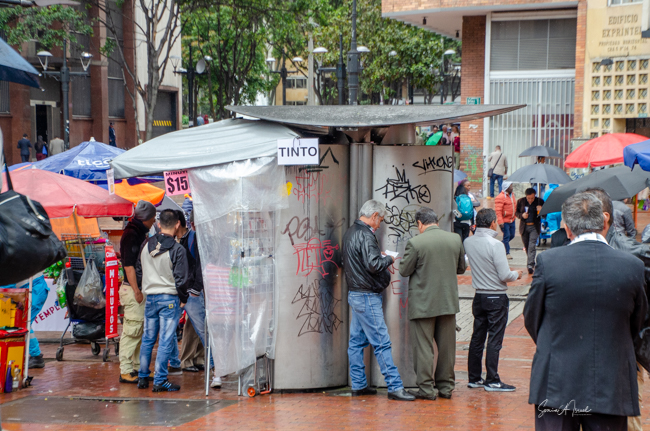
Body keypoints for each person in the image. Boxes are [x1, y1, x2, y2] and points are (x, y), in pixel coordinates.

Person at [524, 192, 647, 431]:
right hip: (610, 380)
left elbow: (532, 317)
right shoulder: (632, 266)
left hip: (557, 379)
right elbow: (637, 322)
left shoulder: (549, 262)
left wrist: (554, 343)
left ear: (568, 229)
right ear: (604, 222)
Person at [584, 187, 650, 431]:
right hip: (586, 352)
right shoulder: (574, 248)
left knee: (626, 420)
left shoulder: (630, 251)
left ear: (603, 217)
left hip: (624, 353)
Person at [342, 200, 415, 401]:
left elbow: (359, 261)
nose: (380, 224)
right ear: (374, 215)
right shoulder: (366, 235)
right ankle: (395, 386)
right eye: (380, 220)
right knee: (381, 342)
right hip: (367, 296)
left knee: (356, 343)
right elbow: (374, 265)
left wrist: (378, 256)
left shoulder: (350, 232)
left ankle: (359, 385)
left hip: (356, 294)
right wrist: (389, 259)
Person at [398, 207, 466, 400]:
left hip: (423, 304)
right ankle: (446, 388)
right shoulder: (455, 239)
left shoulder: (416, 243)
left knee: (423, 348)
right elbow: (461, 268)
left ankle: (426, 389)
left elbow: (404, 270)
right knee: (447, 348)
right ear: (436, 221)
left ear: (420, 223)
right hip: (447, 302)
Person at [464, 208, 522, 392]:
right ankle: (492, 379)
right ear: (491, 223)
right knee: (494, 339)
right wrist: (517, 274)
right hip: (496, 296)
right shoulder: (496, 245)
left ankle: (474, 377)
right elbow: (505, 275)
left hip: (479, 295)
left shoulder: (468, 242)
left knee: (477, 337)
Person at [137, 209, 189, 392]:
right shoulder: (177, 249)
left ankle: (143, 377)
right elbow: (181, 278)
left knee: (148, 339)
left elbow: (138, 270)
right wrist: (183, 298)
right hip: (169, 299)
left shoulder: (146, 245)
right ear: (177, 224)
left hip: (150, 298)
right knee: (165, 341)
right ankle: (159, 380)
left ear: (158, 224)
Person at [174, 210, 219, 387]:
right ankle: (204, 364)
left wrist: (195, 289)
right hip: (186, 292)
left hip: (191, 292)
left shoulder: (195, 239)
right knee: (198, 330)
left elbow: (201, 265)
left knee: (202, 332)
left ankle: (214, 368)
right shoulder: (179, 240)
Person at [118, 200, 156, 384]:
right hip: (134, 289)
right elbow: (129, 266)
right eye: (153, 217)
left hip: (138, 288)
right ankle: (126, 370)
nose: (154, 220)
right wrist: (136, 290)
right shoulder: (131, 234)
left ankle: (137, 367)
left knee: (139, 331)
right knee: (132, 331)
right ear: (146, 218)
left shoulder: (138, 232)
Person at [0, 273, 50, 369]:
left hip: (34, 289)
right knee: (22, 323)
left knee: (24, 323)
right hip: (31, 288)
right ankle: (33, 355)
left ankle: (36, 356)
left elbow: (6, 286)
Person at [515, 188, 544, 274]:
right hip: (524, 227)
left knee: (532, 246)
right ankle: (531, 262)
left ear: (535, 196)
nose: (530, 200)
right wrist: (522, 215)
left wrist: (541, 210)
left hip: (534, 227)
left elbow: (545, 215)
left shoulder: (539, 201)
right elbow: (516, 213)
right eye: (528, 198)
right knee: (527, 246)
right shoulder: (521, 201)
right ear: (526, 196)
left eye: (532, 198)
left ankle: (530, 265)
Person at [494, 181, 516, 259]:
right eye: (510, 186)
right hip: (505, 221)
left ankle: (500, 245)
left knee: (512, 235)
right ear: (506, 188)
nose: (512, 188)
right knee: (506, 236)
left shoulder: (512, 195)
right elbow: (498, 211)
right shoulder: (500, 197)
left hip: (512, 219)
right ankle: (507, 253)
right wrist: (500, 222)